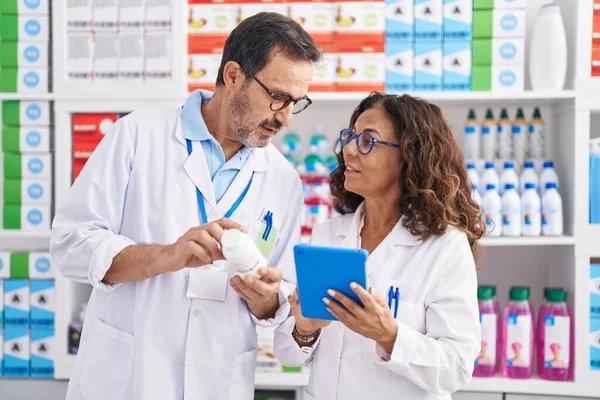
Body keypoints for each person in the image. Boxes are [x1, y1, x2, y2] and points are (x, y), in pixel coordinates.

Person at [50, 12, 321, 400]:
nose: (286, 118)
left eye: (297, 102)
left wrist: (267, 301)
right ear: (232, 75)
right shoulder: (138, 136)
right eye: (278, 97)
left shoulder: (284, 180)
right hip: (129, 380)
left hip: (218, 381)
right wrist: (168, 255)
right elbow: (71, 246)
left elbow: (285, 306)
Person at [274, 93, 485, 399]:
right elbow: (288, 354)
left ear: (409, 157)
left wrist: (389, 335)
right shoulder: (327, 236)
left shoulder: (444, 246)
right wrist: (304, 329)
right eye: (350, 137)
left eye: (367, 141)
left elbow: (457, 367)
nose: (348, 149)